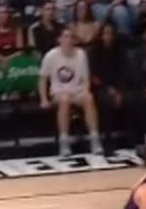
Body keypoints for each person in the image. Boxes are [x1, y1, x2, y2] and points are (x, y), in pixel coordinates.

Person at [38, 26, 102, 158]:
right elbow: (43, 79)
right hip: (58, 92)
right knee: (65, 99)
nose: (69, 40)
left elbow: (85, 79)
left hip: (77, 91)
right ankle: (64, 141)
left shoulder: (81, 54)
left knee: (88, 98)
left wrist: (85, 92)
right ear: (59, 39)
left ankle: (94, 139)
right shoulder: (51, 55)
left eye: (71, 37)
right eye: (66, 37)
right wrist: (43, 99)